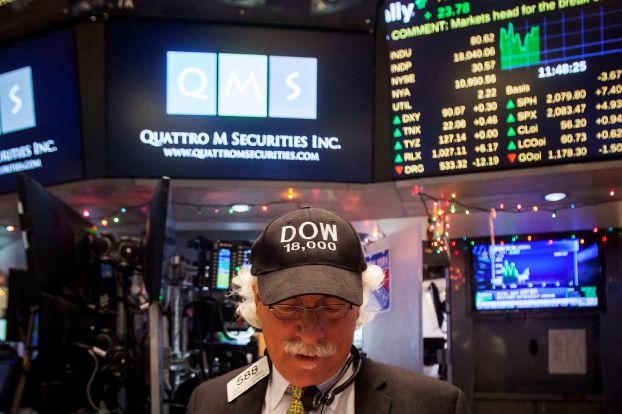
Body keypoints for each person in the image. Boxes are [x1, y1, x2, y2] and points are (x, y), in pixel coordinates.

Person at [187, 207, 469, 414]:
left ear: (358, 304)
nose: (310, 334)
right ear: (259, 302)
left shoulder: (437, 406)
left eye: (332, 307)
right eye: (288, 306)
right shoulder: (209, 403)